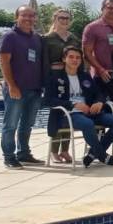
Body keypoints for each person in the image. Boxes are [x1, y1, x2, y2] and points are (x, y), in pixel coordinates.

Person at [45, 46, 113, 167]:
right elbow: (48, 100)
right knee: (87, 124)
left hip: (89, 112)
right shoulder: (55, 77)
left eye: (78, 58)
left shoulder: (85, 76)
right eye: (71, 57)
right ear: (64, 59)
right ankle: (103, 156)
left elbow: (99, 93)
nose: (75, 60)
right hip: (67, 114)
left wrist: (99, 102)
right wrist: (73, 104)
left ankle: (93, 153)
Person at [0, 5, 44, 169]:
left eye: (31, 16)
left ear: (35, 18)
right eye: (24, 15)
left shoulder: (37, 38)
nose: (28, 19)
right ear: (17, 17)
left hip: (35, 89)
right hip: (16, 88)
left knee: (27, 124)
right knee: (10, 124)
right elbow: (4, 62)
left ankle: (24, 153)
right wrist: (12, 86)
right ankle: (9, 157)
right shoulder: (9, 36)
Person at [41, 9, 81, 164]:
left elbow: (79, 58)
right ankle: (53, 151)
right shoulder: (47, 39)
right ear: (55, 19)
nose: (64, 20)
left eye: (67, 18)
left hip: (71, 77)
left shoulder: (73, 38)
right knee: (57, 113)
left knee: (69, 112)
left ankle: (65, 150)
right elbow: (44, 61)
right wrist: (46, 80)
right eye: (61, 18)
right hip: (54, 78)